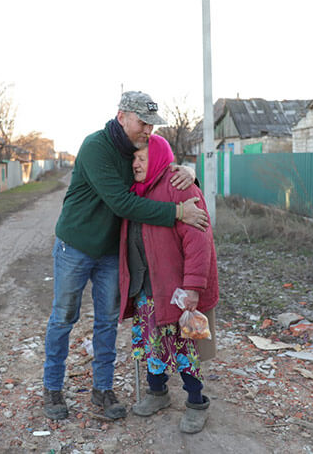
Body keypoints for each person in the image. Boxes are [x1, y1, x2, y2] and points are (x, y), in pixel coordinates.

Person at [43, 91, 209, 420]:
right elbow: (122, 203)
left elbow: (164, 170)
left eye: (152, 125)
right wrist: (177, 211)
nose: (148, 130)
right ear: (122, 117)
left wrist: (189, 173)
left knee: (106, 322)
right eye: (142, 123)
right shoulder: (96, 147)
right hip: (75, 246)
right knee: (63, 317)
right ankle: (52, 389)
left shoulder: (139, 149)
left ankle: (102, 390)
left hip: (109, 253)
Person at [118, 134, 219, 434]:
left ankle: (196, 403)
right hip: (146, 288)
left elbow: (199, 242)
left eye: (141, 158)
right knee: (153, 344)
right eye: (133, 158)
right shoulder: (134, 192)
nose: (134, 163)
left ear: (159, 158)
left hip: (176, 290)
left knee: (185, 346)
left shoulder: (179, 186)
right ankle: (157, 392)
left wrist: (193, 287)